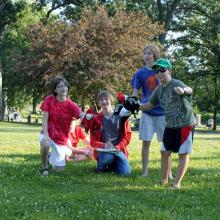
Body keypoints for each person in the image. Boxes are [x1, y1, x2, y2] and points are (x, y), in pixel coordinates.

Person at [139, 58, 196, 189]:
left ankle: (176, 183)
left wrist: (183, 91)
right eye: (156, 71)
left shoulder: (176, 83)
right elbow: (149, 105)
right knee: (165, 152)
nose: (159, 73)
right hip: (170, 125)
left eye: (162, 70)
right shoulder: (159, 89)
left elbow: (190, 90)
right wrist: (135, 106)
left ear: (169, 71)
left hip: (185, 124)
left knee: (183, 153)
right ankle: (164, 181)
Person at [40, 76, 91, 176]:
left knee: (59, 170)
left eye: (65, 86)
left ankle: (50, 158)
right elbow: (45, 120)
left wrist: (89, 116)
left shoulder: (71, 105)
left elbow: (81, 115)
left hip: (60, 140)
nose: (64, 88)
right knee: (46, 144)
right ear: (55, 89)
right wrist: (46, 135)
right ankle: (44, 166)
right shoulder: (49, 100)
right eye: (60, 87)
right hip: (48, 134)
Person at [131, 44, 168, 177]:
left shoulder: (161, 70)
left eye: (149, 53)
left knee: (166, 144)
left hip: (162, 112)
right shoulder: (140, 73)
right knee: (146, 142)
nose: (146, 56)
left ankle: (168, 172)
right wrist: (131, 102)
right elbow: (135, 92)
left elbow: (168, 86)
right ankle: (145, 171)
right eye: (144, 53)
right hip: (147, 111)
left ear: (155, 55)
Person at [82, 90, 131, 176]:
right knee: (107, 158)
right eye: (101, 100)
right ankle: (101, 167)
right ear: (99, 103)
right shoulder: (96, 119)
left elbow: (127, 137)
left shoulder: (121, 116)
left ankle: (113, 164)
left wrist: (119, 147)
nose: (104, 101)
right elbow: (93, 142)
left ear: (111, 100)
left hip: (117, 150)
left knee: (126, 173)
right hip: (103, 150)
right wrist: (104, 145)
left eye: (106, 99)